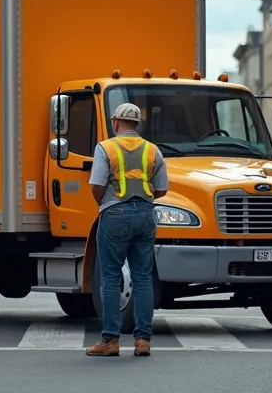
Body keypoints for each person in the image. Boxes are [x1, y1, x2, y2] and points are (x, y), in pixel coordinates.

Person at [84, 103, 168, 357]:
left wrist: (106, 204)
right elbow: (162, 190)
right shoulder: (153, 151)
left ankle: (110, 340)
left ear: (115, 123)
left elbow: (96, 184)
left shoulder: (105, 147)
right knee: (143, 278)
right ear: (138, 124)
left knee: (110, 278)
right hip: (145, 214)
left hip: (114, 213)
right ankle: (143, 341)